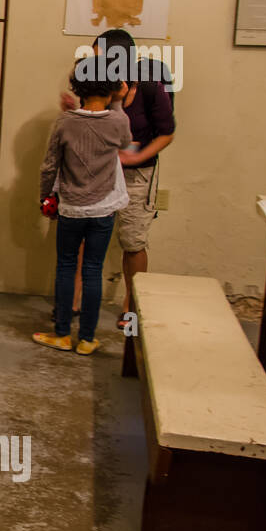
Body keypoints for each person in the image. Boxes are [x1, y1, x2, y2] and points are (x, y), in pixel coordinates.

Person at [60, 29, 176, 329]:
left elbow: (167, 132)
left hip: (138, 173)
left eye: (99, 55)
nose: (94, 60)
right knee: (85, 230)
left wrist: (136, 157)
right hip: (100, 168)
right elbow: (92, 118)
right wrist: (73, 112)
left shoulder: (151, 84)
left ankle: (131, 306)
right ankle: (74, 300)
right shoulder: (98, 82)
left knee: (132, 240)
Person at [35, 54, 131, 355]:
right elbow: (125, 142)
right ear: (113, 86)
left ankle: (62, 334)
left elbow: (49, 166)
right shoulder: (119, 121)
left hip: (71, 208)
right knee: (93, 270)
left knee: (65, 267)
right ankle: (88, 339)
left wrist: (45, 197)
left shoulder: (65, 122)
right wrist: (118, 101)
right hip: (104, 208)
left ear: (78, 86)